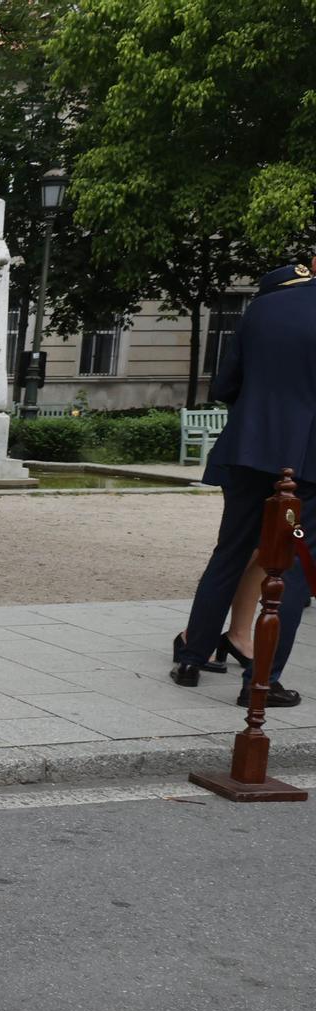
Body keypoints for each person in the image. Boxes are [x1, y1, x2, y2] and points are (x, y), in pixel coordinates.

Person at [173, 254, 316, 706]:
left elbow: (225, 385)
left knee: (229, 553)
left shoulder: (263, 306)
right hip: (306, 466)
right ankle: (262, 680)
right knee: (292, 561)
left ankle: (192, 658)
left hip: (249, 453)